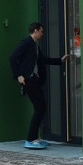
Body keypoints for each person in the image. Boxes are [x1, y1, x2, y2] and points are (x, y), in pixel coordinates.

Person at [8, 21, 70, 149]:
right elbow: (12, 57)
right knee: (40, 108)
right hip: (29, 80)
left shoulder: (34, 45)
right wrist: (18, 75)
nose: (43, 34)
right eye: (41, 31)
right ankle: (30, 139)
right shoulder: (26, 43)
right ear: (35, 31)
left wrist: (60, 60)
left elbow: (42, 59)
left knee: (41, 108)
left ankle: (34, 138)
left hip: (34, 81)